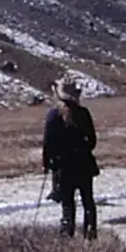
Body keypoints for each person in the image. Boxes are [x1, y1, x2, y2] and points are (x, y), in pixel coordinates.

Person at [41, 78, 100, 239]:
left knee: (68, 204)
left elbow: (48, 143)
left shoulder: (53, 114)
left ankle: (67, 235)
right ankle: (90, 233)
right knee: (88, 200)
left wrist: (47, 164)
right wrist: (83, 150)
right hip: (84, 164)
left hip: (64, 166)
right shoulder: (83, 113)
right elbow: (92, 140)